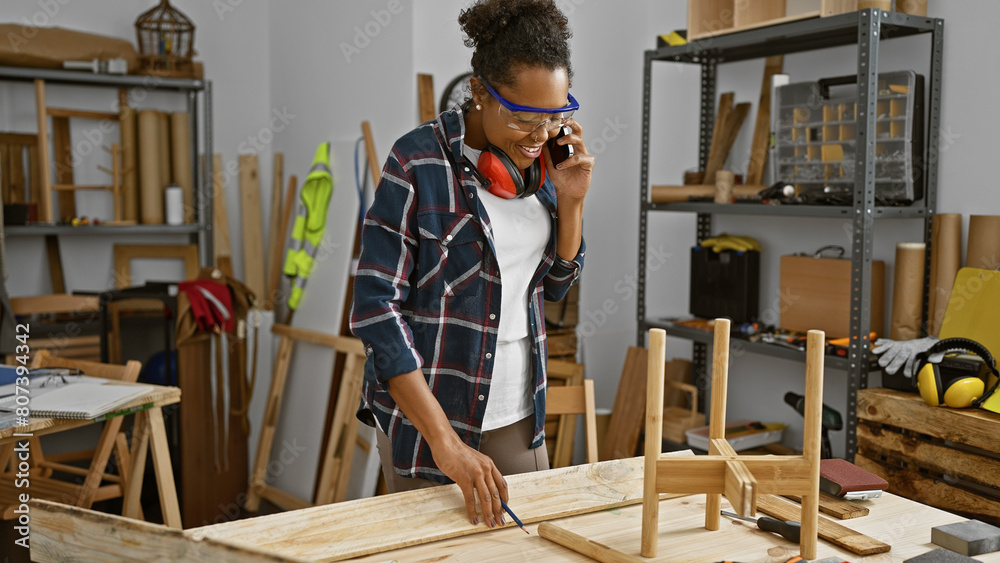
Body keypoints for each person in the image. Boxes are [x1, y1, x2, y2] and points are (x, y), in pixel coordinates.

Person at [350, 0, 592, 529]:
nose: (539, 135)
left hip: (516, 410)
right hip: (430, 415)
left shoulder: (546, 165)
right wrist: (445, 443)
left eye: (554, 117)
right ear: (480, 92)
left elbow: (554, 287)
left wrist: (571, 202)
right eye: (524, 117)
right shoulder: (416, 162)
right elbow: (374, 310)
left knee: (528, 546)